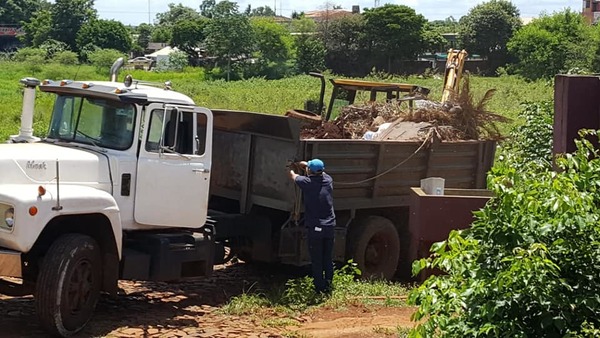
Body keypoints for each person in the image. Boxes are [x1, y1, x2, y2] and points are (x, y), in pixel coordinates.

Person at [288, 158, 336, 294]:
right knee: (327, 258)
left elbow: (292, 175)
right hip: (330, 226)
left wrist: (290, 167)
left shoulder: (307, 183)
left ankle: (319, 289)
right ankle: (328, 285)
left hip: (316, 228)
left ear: (310, 171)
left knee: (316, 259)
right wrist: (306, 165)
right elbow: (313, 170)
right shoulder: (328, 180)